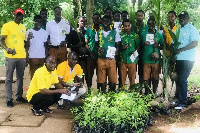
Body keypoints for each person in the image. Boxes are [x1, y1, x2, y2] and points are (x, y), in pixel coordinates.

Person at [0, 8, 28, 107]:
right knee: (9, 78)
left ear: (22, 16)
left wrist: (26, 56)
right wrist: (7, 49)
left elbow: (25, 43)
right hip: (10, 56)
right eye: (17, 14)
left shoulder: (23, 28)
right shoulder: (7, 26)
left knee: (20, 77)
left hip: (21, 56)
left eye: (20, 15)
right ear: (14, 15)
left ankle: (19, 96)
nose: (19, 16)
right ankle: (9, 99)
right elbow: (1, 40)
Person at [174, 11, 199, 110]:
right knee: (178, 79)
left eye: (184, 17)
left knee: (182, 79)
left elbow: (195, 43)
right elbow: (174, 43)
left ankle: (183, 102)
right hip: (179, 58)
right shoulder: (178, 29)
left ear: (188, 18)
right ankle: (179, 99)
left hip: (188, 58)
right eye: (180, 18)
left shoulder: (192, 29)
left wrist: (181, 50)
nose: (181, 19)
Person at [95, 15, 121, 92]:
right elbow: (96, 45)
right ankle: (103, 92)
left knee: (112, 77)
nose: (105, 23)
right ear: (101, 22)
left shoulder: (115, 33)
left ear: (110, 22)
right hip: (101, 58)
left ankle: (112, 92)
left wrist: (114, 53)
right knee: (101, 77)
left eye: (107, 21)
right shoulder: (98, 33)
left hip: (111, 59)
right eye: (104, 21)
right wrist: (98, 48)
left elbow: (118, 47)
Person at [140, 18, 164, 95]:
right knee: (146, 77)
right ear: (147, 25)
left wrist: (158, 46)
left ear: (155, 24)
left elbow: (163, 46)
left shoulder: (159, 35)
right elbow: (139, 45)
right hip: (146, 59)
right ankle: (147, 92)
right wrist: (143, 44)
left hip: (155, 60)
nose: (151, 26)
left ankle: (154, 92)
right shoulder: (143, 34)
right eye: (149, 24)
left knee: (155, 77)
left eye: (153, 24)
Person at [120, 19, 140, 88]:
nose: (127, 28)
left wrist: (135, 51)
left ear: (131, 26)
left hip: (132, 59)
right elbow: (117, 46)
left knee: (132, 77)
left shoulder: (135, 36)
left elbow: (138, 46)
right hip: (123, 59)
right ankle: (122, 92)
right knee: (122, 78)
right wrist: (122, 47)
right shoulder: (120, 35)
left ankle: (132, 91)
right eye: (125, 26)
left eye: (128, 26)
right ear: (123, 26)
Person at [67, 16, 88, 84]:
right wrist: (76, 45)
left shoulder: (86, 31)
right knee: (74, 72)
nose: (83, 23)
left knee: (82, 72)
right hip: (75, 56)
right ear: (78, 22)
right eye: (81, 21)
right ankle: (74, 87)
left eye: (84, 22)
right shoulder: (73, 31)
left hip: (83, 56)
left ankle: (82, 86)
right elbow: (69, 45)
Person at [85, 13, 101, 90]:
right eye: (94, 18)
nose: (96, 20)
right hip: (90, 55)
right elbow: (86, 43)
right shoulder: (89, 30)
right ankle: (89, 89)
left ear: (100, 19)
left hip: (100, 56)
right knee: (89, 74)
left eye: (97, 18)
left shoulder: (102, 30)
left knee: (99, 74)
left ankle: (99, 89)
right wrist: (90, 52)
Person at [135, 10, 148, 84]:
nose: (139, 17)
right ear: (136, 16)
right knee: (132, 69)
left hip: (143, 52)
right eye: (138, 15)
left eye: (141, 15)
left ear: (144, 17)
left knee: (141, 70)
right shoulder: (132, 26)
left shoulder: (146, 27)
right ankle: (132, 87)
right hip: (133, 51)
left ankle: (141, 86)